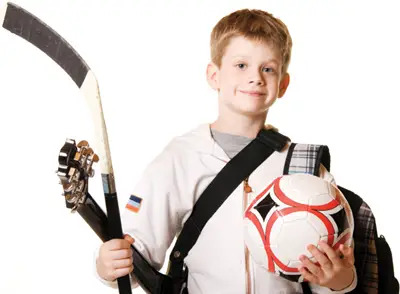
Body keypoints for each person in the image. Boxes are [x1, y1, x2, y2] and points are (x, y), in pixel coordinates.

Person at [95, 9, 358, 293]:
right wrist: (108, 266)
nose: (255, 77)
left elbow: (333, 279)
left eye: (267, 68)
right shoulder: (181, 158)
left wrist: (340, 281)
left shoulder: (304, 168)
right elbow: (137, 257)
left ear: (282, 84)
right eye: (241, 65)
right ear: (214, 75)